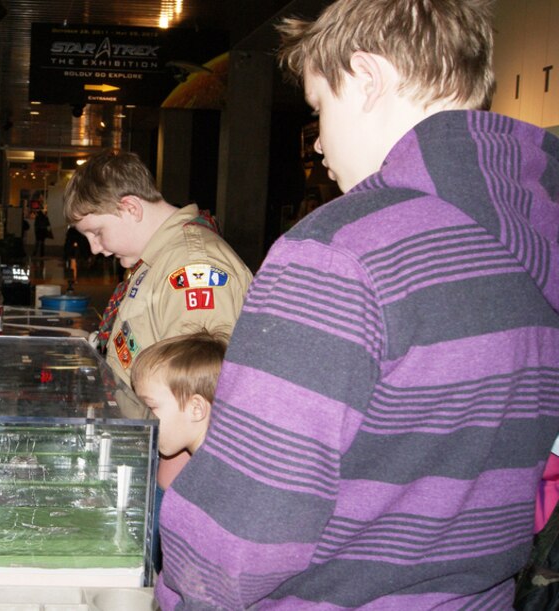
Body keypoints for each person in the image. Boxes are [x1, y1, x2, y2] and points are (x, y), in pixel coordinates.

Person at [156, 0, 559, 608]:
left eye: (320, 109)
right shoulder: (535, 236)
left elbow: (246, 528)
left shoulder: (339, 252)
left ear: (367, 79)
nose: (316, 141)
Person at [64, 150, 253, 571]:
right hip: (151, 459)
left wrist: (169, 481)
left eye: (97, 232)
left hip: (175, 475)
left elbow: (202, 389)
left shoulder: (192, 264)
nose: (95, 248)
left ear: (129, 207)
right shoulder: (158, 259)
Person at [129, 330, 227, 572]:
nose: (142, 418)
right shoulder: (206, 468)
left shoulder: (212, 486)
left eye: (150, 406)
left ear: (196, 408)